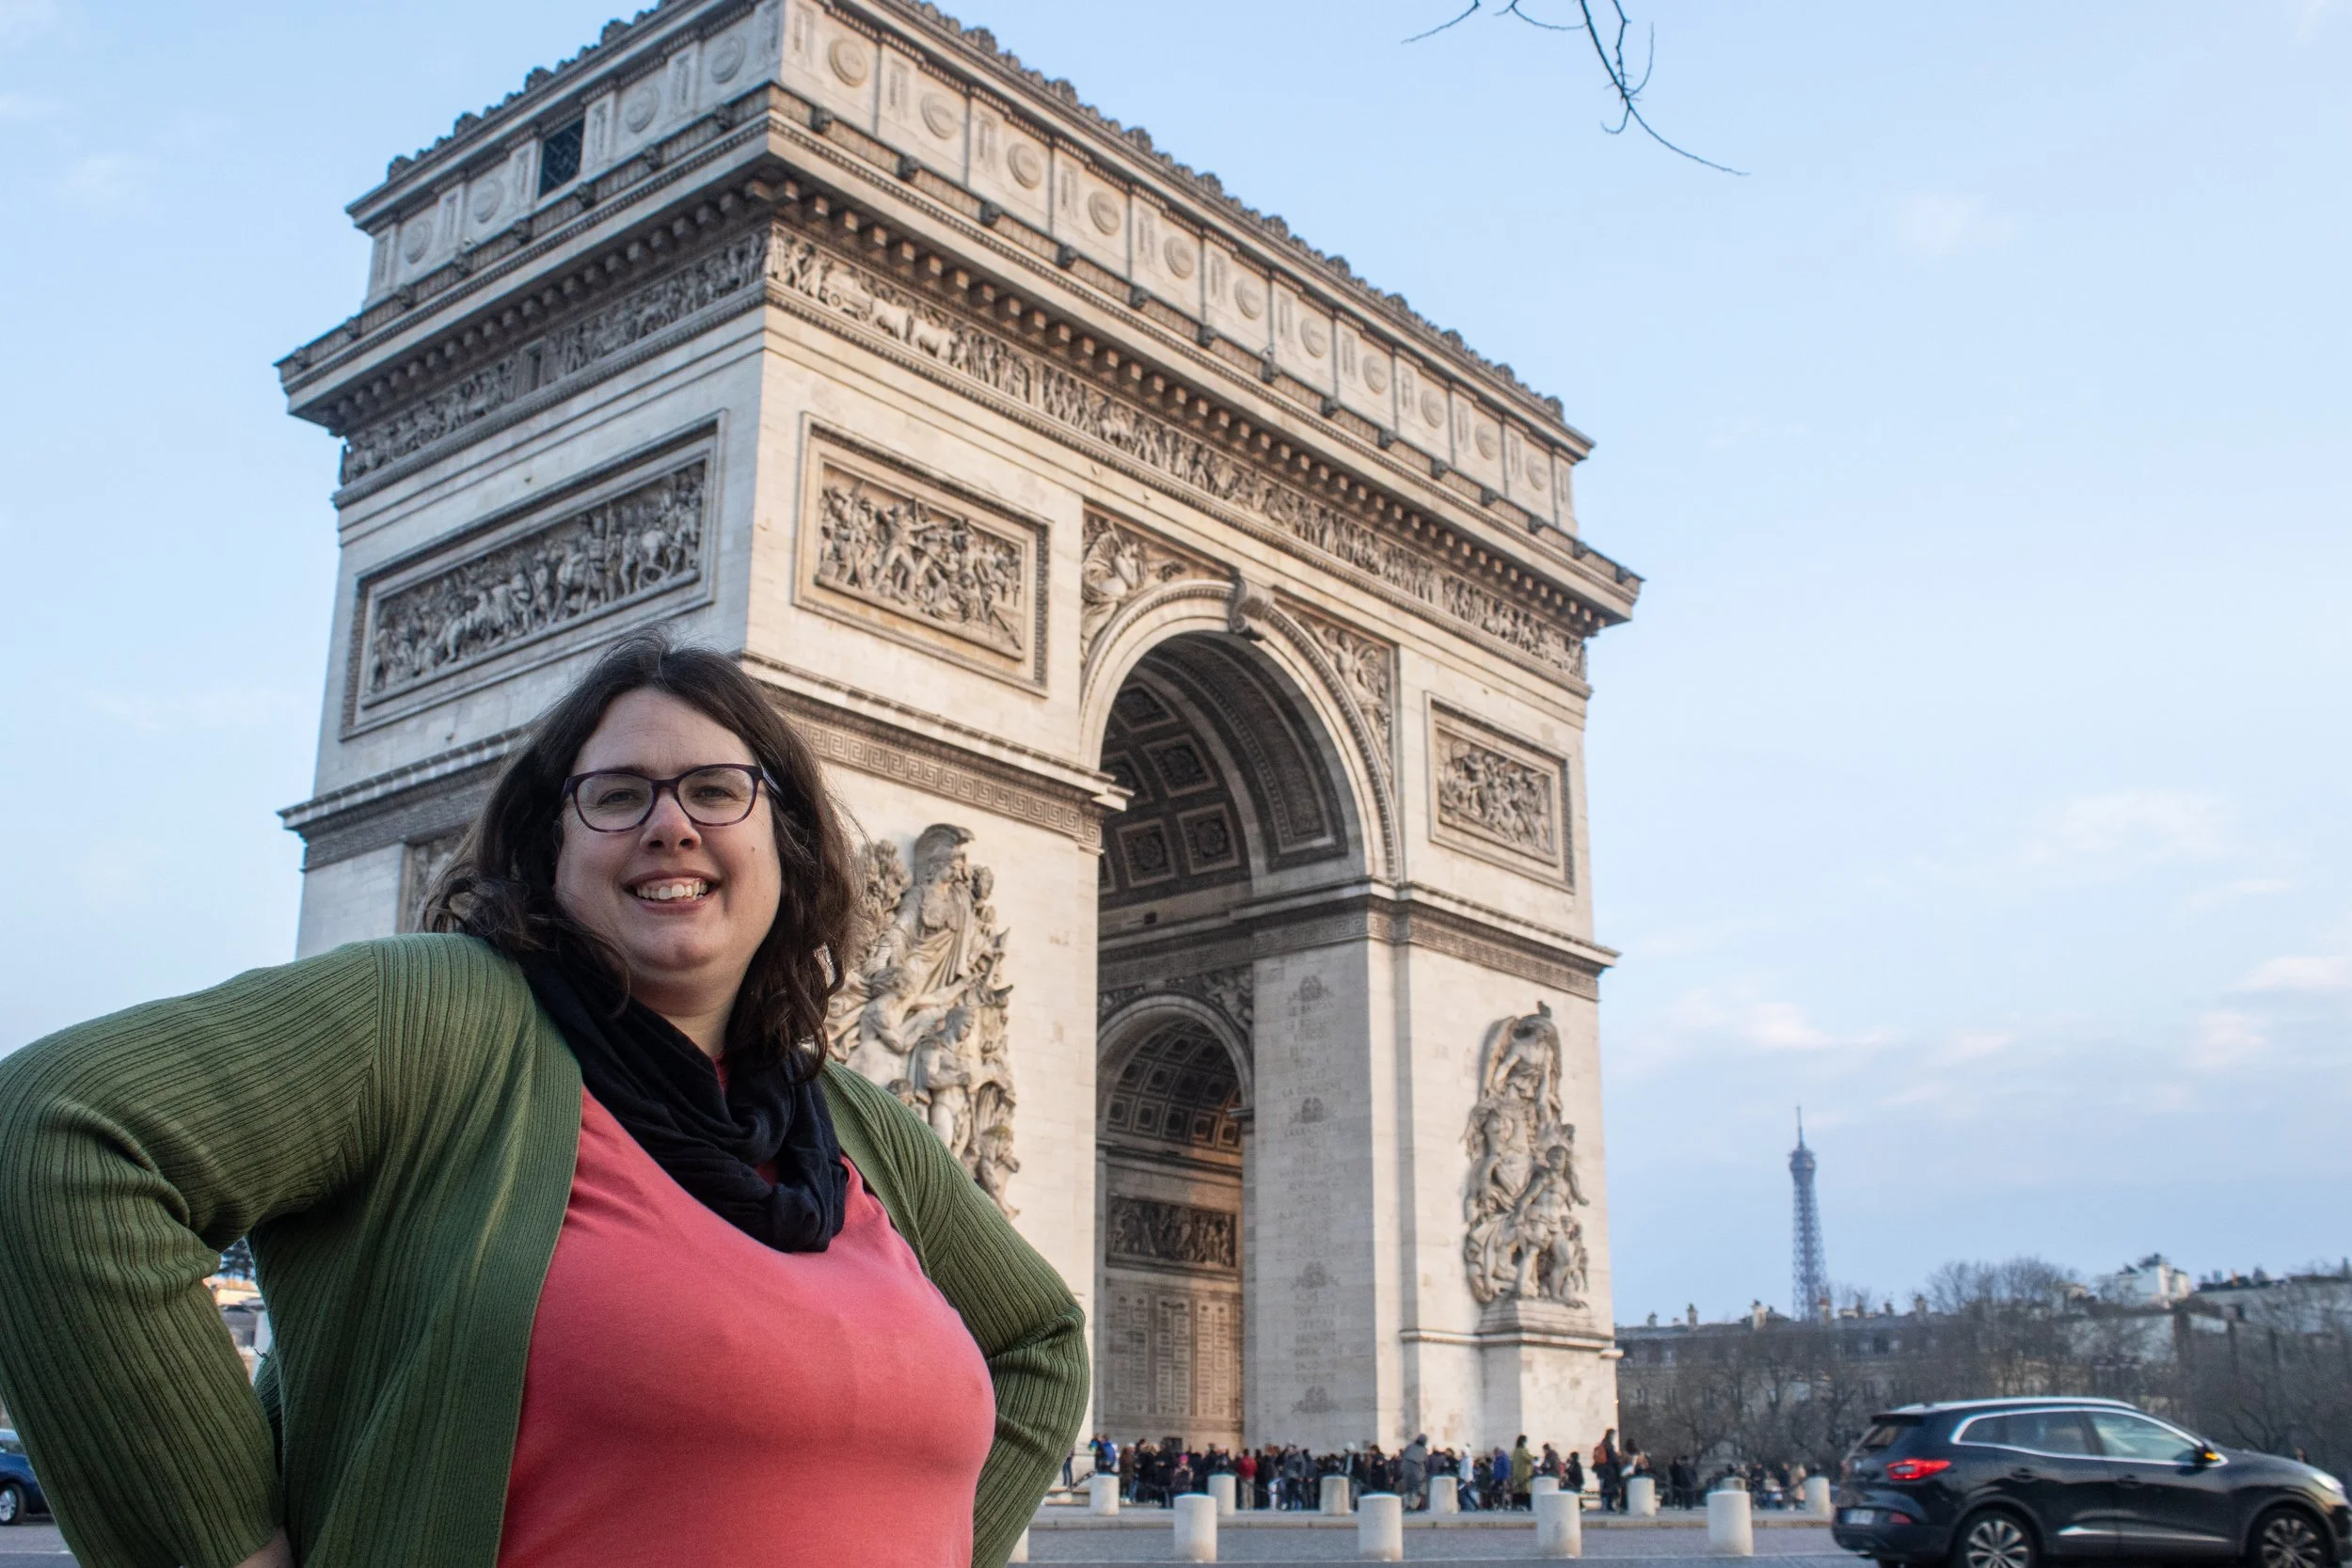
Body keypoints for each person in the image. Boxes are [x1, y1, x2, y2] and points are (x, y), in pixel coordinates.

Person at [0, 636, 1089, 1568]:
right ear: (548, 844)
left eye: (716, 788)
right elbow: (55, 1129)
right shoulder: (444, 1017)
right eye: (617, 794)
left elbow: (1040, 1341)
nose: (671, 825)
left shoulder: (854, 1119)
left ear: (789, 837)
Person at [1400, 1433, 1429, 1510]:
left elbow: (1403, 1457)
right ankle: (1412, 1506)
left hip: (1406, 1471)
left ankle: (1407, 1505)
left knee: (1407, 1489)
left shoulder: (1409, 1447)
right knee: (1416, 1490)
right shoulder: (1423, 1451)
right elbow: (1426, 1463)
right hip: (1417, 1473)